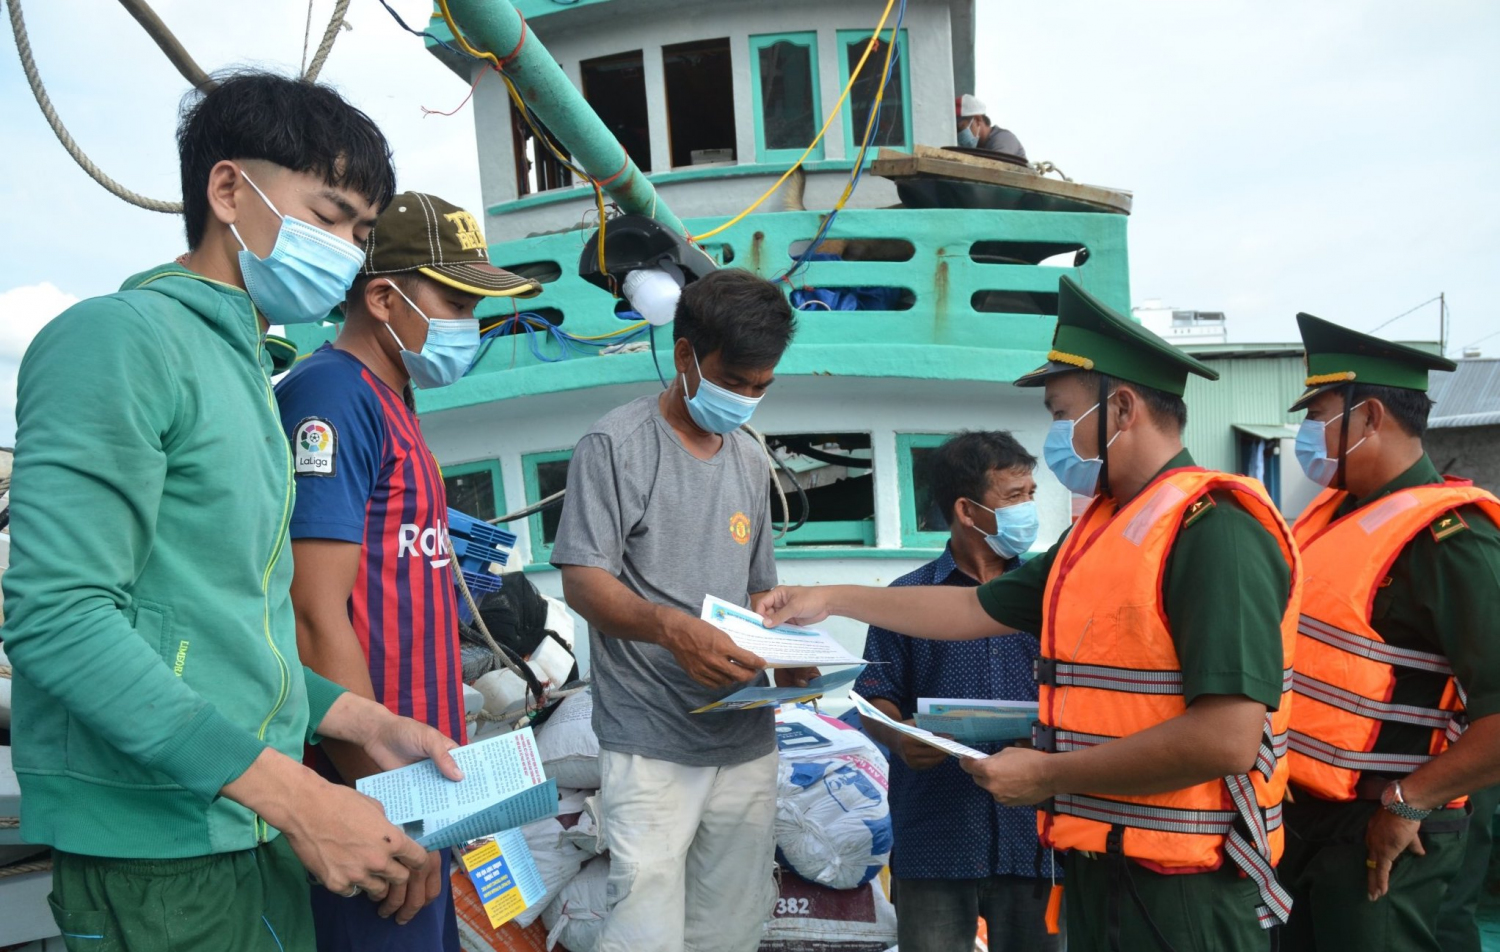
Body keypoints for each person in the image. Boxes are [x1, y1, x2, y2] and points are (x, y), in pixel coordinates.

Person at [1, 72, 466, 952]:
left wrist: (360, 721)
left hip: (246, 829)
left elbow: (222, 636)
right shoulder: (119, 337)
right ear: (226, 189)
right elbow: (56, 617)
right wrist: (300, 798)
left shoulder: (252, 371)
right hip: (161, 859)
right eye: (328, 216)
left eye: (360, 232)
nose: (344, 247)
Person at [757, 275, 1301, 951]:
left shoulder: (1212, 528)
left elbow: (1227, 739)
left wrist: (1047, 775)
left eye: (1060, 412)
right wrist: (828, 598)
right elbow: (970, 608)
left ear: (1123, 407)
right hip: (1104, 863)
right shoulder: (1099, 535)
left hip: (1183, 883)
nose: (1055, 436)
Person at [275, 192, 542, 950]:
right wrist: (388, 806)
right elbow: (312, 616)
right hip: (364, 797)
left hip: (412, 786)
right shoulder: (331, 397)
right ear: (384, 297)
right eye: (457, 300)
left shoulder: (394, 399)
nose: (471, 322)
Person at [551, 268, 807, 952]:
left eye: (761, 387)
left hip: (745, 737)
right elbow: (583, 581)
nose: (748, 399)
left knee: (730, 933)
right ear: (687, 355)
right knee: (645, 932)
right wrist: (669, 627)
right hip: (650, 740)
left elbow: (759, 592)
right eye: (737, 382)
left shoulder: (750, 458)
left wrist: (784, 652)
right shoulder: (616, 446)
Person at [1277, 314, 1500, 952]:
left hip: (1393, 830)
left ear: (1370, 417)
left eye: (1318, 414)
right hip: (1310, 821)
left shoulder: (1453, 541)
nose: (1307, 434)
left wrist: (1408, 802)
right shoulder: (1328, 518)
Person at [856, 431, 1059, 952]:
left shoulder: (1054, 594)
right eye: (1014, 497)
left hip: (1035, 836)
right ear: (967, 511)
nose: (1029, 508)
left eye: (1031, 493)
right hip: (936, 834)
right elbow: (873, 696)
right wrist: (900, 736)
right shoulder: (906, 599)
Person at [956, 93, 1026, 161]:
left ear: (978, 119)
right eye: (957, 130)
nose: (959, 134)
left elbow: (997, 168)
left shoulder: (1003, 139)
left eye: (961, 127)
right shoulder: (978, 148)